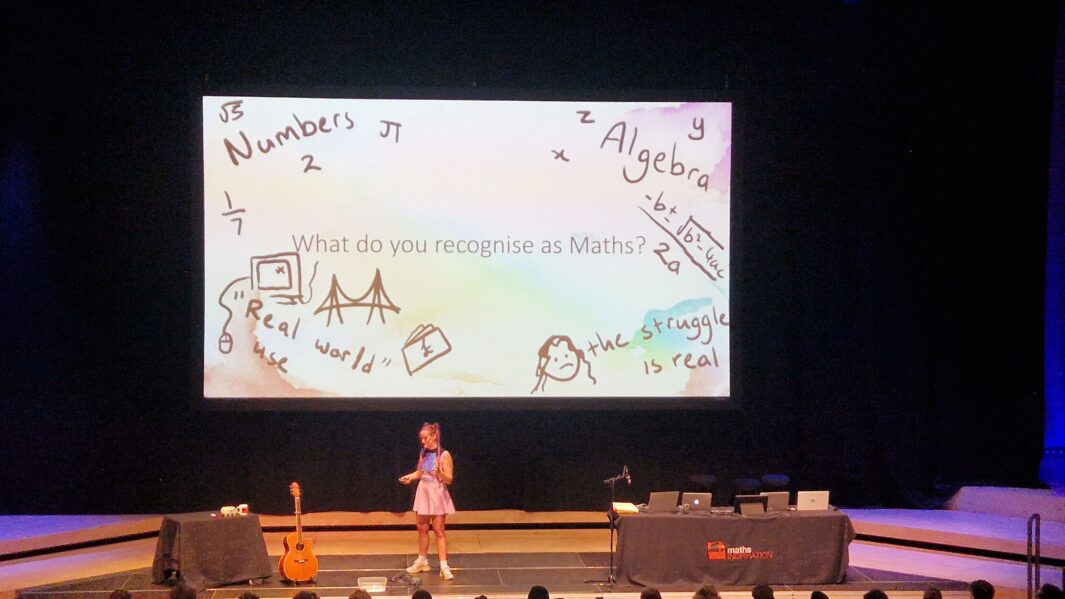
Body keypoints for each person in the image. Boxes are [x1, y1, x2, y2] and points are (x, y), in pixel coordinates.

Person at [400, 422, 456, 580]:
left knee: (439, 530)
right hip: (423, 491)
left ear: (434, 436)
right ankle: (422, 560)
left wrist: (440, 472)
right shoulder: (424, 452)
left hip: (436, 493)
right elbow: (419, 473)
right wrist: (410, 478)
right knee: (422, 528)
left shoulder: (444, 455)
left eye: (425, 438)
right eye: (421, 439)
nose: (422, 441)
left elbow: (449, 479)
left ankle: (444, 565)